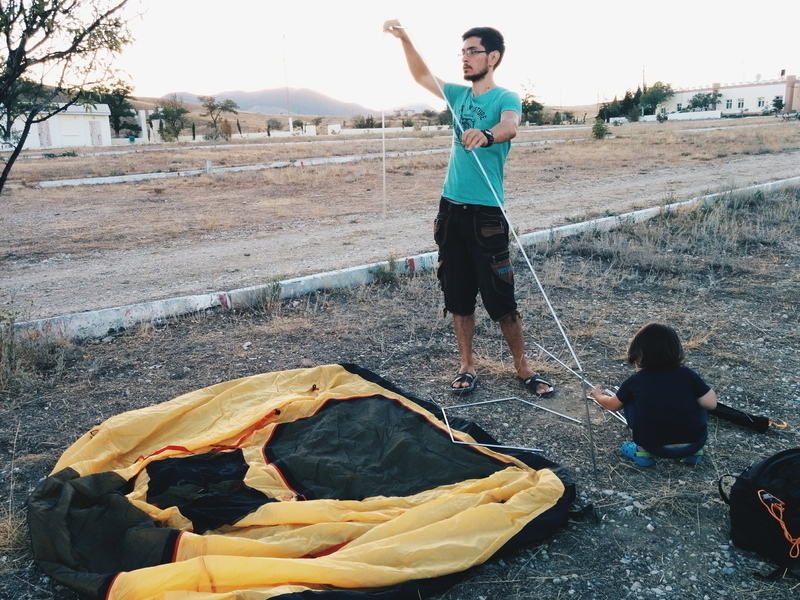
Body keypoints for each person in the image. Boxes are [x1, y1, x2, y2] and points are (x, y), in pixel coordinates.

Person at [382, 20, 554, 398]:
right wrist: (407, 40)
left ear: (492, 57)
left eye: (472, 51)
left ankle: (523, 366)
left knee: (500, 297)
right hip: (451, 212)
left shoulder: (505, 98)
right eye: (462, 52)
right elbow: (421, 75)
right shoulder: (459, 96)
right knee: (458, 294)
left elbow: (511, 126)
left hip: (487, 214)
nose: (465, 58)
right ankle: (466, 365)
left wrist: (487, 134)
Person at [590, 323, 718, 466]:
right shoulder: (688, 374)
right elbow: (711, 404)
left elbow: (612, 405)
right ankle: (693, 455)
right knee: (698, 397)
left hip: (653, 446)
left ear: (638, 353)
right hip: (694, 443)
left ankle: (642, 453)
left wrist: (598, 395)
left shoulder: (635, 381)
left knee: (629, 399)